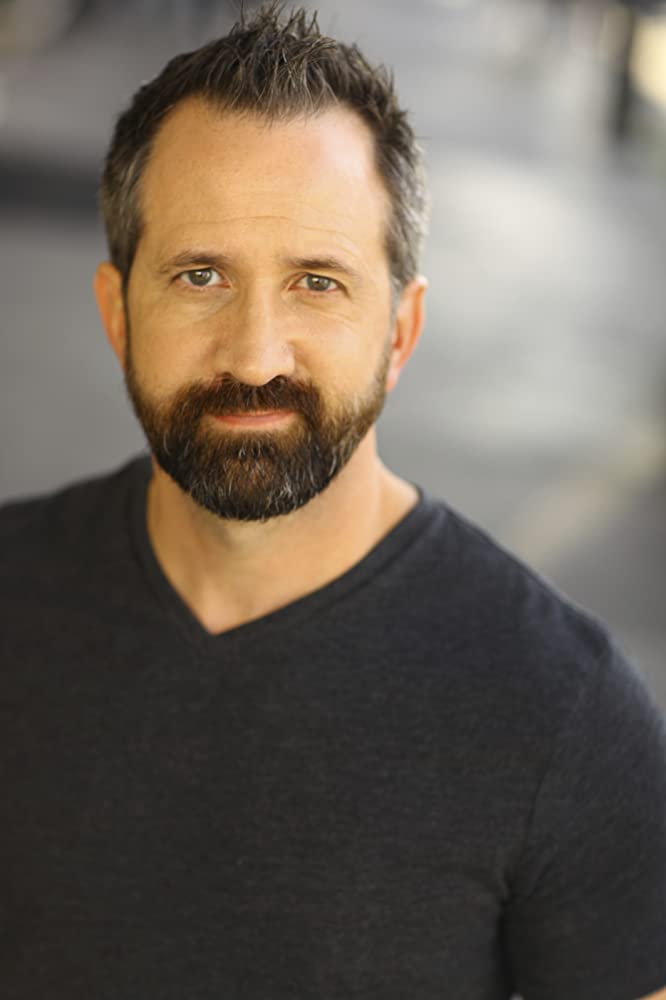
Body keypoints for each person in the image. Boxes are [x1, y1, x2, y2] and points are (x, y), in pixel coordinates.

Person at [1, 3, 665, 998]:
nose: (254, 356)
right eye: (200, 275)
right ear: (117, 313)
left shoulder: (567, 716)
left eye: (317, 282)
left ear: (400, 333)